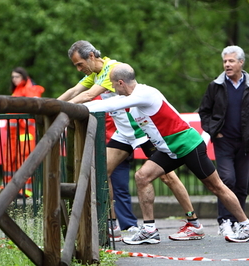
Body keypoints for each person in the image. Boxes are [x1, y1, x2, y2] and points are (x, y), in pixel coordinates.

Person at [84, 63, 249, 245]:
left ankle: (246, 226)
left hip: (187, 145)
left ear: (121, 82)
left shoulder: (143, 94)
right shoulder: (134, 101)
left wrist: (76, 106)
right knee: (142, 177)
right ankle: (149, 229)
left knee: (216, 186)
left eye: (113, 85)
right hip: (169, 150)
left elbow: (111, 103)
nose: (112, 88)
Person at [59, 40, 205, 242]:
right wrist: (52, 104)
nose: (79, 69)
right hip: (123, 133)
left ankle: (193, 223)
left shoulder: (113, 70)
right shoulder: (93, 73)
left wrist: (62, 109)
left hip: (141, 131)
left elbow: (88, 95)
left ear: (91, 56)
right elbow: (74, 91)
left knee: (167, 177)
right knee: (101, 172)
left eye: (79, 64)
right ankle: (112, 226)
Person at [198, 45, 249, 237]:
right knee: (227, 180)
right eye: (225, 61)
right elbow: (204, 112)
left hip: (245, 142)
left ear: (241, 63)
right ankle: (225, 221)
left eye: (231, 61)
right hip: (223, 141)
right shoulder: (215, 86)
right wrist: (214, 131)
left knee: (242, 184)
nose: (227, 64)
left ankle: (239, 222)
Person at [1, 67, 45, 197]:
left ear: (24, 77)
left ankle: (26, 189)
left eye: (17, 76)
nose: (14, 79)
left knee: (24, 159)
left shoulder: (30, 89)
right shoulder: (16, 91)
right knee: (9, 159)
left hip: (25, 131)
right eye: (13, 77)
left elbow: (34, 102)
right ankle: (7, 187)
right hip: (12, 132)